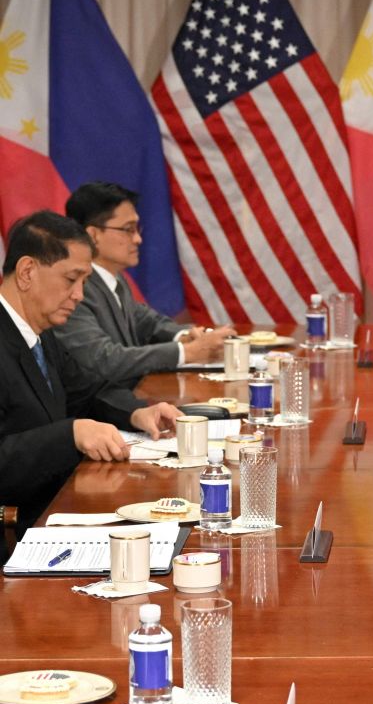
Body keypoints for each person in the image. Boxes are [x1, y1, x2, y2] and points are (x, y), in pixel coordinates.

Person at [0, 211, 182, 532]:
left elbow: (88, 391)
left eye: (84, 282)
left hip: (61, 507)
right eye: (71, 280)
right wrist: (70, 434)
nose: (79, 295)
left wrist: (139, 412)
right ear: (27, 271)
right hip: (19, 528)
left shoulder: (42, 333)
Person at [58, 182, 233, 388]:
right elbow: (104, 358)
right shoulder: (75, 289)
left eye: (137, 229)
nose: (138, 239)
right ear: (93, 235)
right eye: (128, 230)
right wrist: (188, 352)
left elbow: (147, 322)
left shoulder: (114, 279)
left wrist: (186, 336)